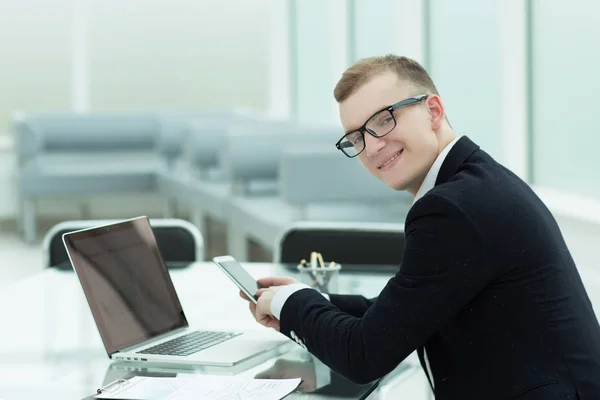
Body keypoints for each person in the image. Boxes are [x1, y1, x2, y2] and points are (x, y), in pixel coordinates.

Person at [239, 54, 600, 399]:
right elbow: (407, 311)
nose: (372, 147)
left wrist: (292, 306)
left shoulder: (451, 208)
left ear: (433, 111)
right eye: (356, 137)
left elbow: (364, 355)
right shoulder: (474, 181)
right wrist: (317, 302)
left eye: (384, 119)